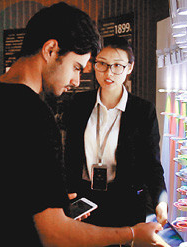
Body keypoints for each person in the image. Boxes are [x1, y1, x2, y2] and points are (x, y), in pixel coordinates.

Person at [0, 3, 166, 247]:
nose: (76, 81)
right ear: (51, 50)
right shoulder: (37, 115)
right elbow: (54, 235)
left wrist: (39, 198)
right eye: (76, 67)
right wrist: (132, 233)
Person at [64, 36, 168, 231]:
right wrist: (67, 194)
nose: (108, 72)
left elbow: (151, 164)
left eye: (117, 66)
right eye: (102, 64)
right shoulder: (79, 104)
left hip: (125, 204)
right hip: (85, 203)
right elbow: (69, 156)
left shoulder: (142, 110)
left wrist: (161, 201)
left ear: (129, 68)